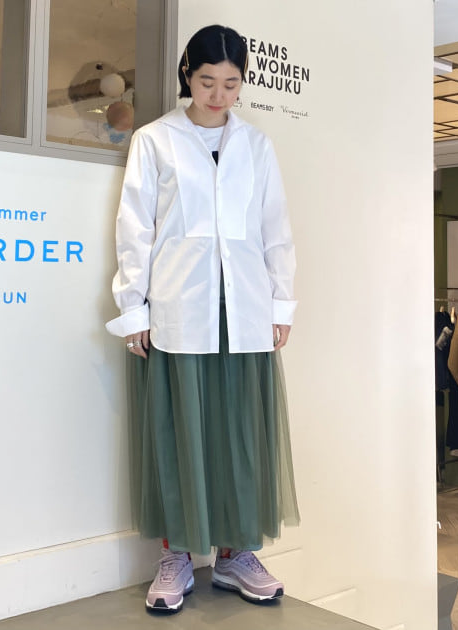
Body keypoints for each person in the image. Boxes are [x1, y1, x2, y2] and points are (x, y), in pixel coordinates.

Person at [106, 24, 300, 613]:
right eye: (207, 81)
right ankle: (176, 557)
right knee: (178, 434)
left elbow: (274, 228)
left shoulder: (256, 146)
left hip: (244, 309)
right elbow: (134, 229)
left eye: (231, 84)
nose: (218, 95)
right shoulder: (154, 140)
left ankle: (237, 554)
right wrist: (133, 308)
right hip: (177, 309)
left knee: (240, 433)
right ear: (187, 75)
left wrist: (280, 303)